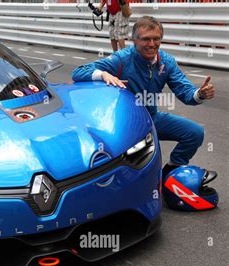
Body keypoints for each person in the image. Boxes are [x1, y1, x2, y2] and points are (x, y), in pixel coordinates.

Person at [72, 16, 215, 179]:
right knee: (137, 169)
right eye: (146, 39)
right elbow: (78, 72)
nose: (152, 44)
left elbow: (185, 92)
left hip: (152, 118)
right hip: (124, 124)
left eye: (156, 39)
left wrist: (199, 94)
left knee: (195, 132)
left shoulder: (166, 62)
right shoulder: (121, 59)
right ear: (134, 40)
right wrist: (103, 74)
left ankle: (169, 172)